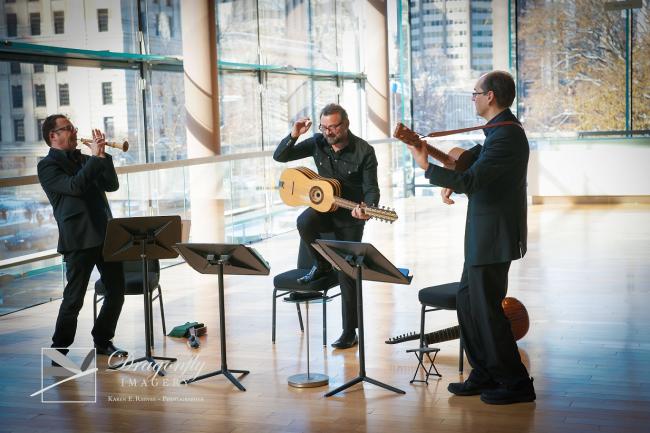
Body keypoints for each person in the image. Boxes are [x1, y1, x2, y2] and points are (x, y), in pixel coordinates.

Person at [407, 71, 536, 404]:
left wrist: (426, 166)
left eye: (475, 92)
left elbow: (473, 180)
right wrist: (452, 173)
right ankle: (484, 372)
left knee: (487, 311)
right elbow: (472, 165)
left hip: (492, 239)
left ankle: (516, 382)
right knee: (468, 303)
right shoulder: (497, 132)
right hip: (483, 238)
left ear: (490, 96)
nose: (473, 97)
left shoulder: (506, 136)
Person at [274, 103, 380, 349]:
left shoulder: (364, 151)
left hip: (350, 217)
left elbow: (371, 188)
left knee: (347, 272)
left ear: (346, 124)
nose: (329, 132)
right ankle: (321, 265)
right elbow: (281, 156)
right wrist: (294, 134)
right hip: (324, 210)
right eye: (324, 127)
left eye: (334, 127)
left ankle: (349, 331)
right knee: (304, 220)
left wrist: (368, 207)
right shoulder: (317, 142)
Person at [38, 114, 127, 360]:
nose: (74, 132)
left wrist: (102, 156)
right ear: (53, 136)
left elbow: (111, 185)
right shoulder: (47, 166)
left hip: (106, 236)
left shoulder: (87, 159)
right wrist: (95, 159)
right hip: (78, 239)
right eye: (67, 129)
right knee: (74, 299)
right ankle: (59, 350)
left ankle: (103, 340)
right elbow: (75, 186)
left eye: (73, 127)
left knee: (116, 292)